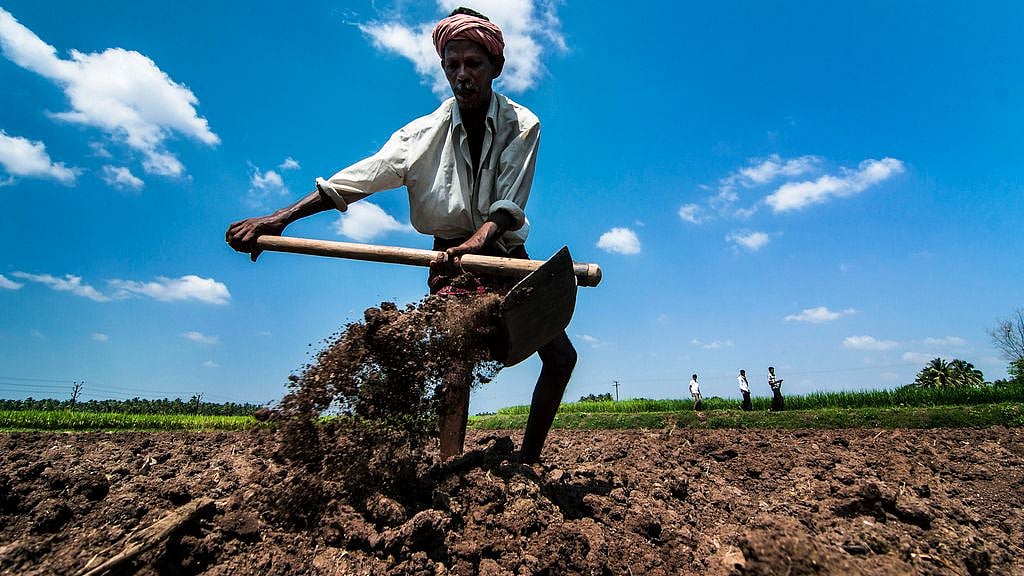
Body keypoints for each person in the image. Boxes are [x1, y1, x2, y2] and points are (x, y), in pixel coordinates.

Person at [225, 8, 576, 463]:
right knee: (457, 353)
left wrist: (478, 243)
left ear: (496, 66)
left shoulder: (522, 124)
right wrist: (281, 217)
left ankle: (528, 463)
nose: (462, 75)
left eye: (473, 64)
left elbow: (508, 206)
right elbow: (355, 180)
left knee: (561, 357)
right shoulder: (419, 136)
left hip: (504, 252)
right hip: (450, 256)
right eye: (452, 65)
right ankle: (451, 466)